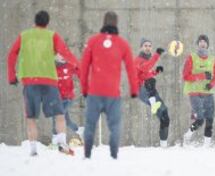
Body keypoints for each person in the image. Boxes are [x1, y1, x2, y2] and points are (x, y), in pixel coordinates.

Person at [7, 10, 79, 156]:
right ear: (47, 23)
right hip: (49, 82)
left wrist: (12, 76)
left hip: (30, 81)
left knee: (31, 117)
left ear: (35, 22)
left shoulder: (24, 36)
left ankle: (33, 149)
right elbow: (65, 53)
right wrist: (78, 67)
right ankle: (62, 142)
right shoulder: (52, 35)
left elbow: (12, 55)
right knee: (59, 114)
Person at [81, 11, 138, 159]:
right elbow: (131, 68)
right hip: (113, 93)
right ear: (116, 23)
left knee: (90, 125)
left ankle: (87, 154)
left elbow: (84, 67)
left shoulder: (93, 41)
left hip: (94, 92)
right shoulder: (122, 44)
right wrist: (134, 90)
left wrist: (84, 89)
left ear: (103, 22)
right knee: (115, 126)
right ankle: (113, 154)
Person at [182, 34, 215, 147]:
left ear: (207, 45)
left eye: (205, 42)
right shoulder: (191, 57)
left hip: (207, 92)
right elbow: (185, 76)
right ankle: (188, 135)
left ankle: (206, 145)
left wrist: (211, 84)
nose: (202, 43)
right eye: (200, 42)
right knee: (200, 119)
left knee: (210, 118)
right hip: (194, 92)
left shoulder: (213, 59)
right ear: (198, 44)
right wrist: (202, 76)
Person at [134, 38, 170, 147]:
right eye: (145, 45)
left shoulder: (149, 60)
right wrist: (157, 55)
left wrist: (156, 72)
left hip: (149, 90)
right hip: (140, 89)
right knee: (151, 81)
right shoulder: (138, 59)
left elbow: (146, 73)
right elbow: (145, 69)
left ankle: (163, 144)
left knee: (165, 114)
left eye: (149, 45)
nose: (148, 47)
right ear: (141, 47)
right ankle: (153, 102)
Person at [50, 55, 84, 146]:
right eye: (58, 55)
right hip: (56, 99)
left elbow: (80, 72)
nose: (62, 57)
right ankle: (79, 130)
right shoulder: (51, 67)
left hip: (67, 98)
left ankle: (55, 140)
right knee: (67, 121)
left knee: (58, 116)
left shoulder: (69, 65)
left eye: (63, 55)